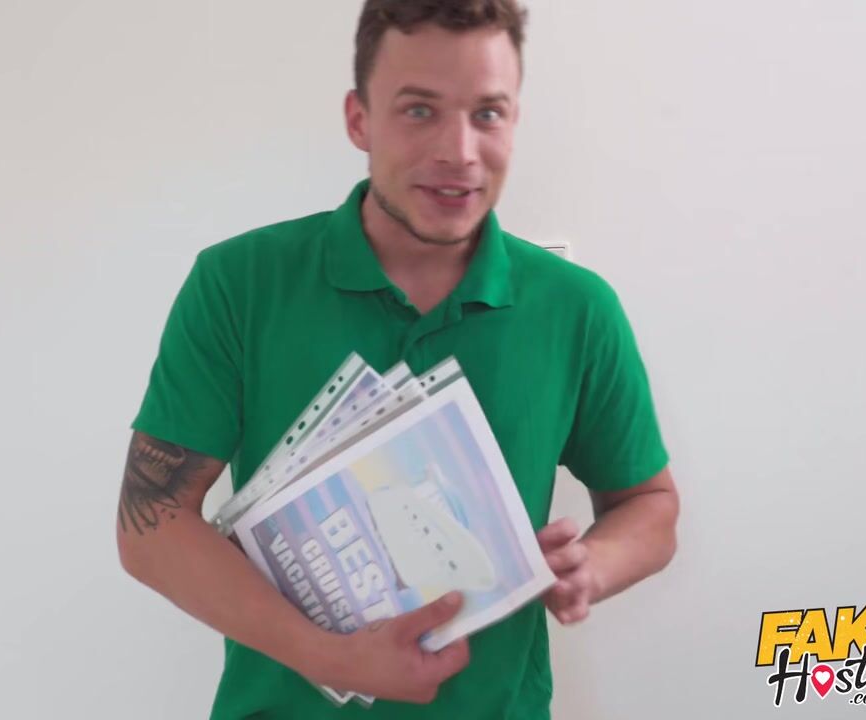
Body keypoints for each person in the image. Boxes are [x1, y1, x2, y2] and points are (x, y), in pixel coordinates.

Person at [116, 1, 680, 717]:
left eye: (487, 113)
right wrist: (329, 657)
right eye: (419, 111)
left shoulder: (577, 308)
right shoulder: (238, 284)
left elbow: (651, 506)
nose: (460, 151)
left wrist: (591, 566)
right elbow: (151, 524)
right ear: (359, 120)